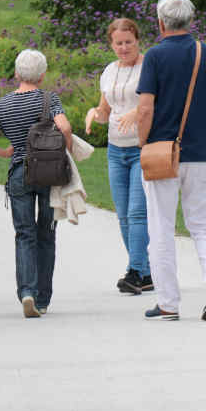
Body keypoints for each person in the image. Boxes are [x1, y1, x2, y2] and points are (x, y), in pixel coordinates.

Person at [136, 0, 206, 322]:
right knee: (204, 225)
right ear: (191, 21)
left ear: (160, 22)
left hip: (163, 154)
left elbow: (146, 107)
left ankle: (168, 302)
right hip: (202, 153)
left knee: (161, 227)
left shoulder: (154, 56)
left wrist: (142, 142)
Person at [0, 50, 72, 319]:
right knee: (46, 233)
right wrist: (66, 156)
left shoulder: (3, 104)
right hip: (49, 173)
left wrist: (5, 152)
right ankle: (43, 299)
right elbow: (65, 128)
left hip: (19, 173)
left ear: (16, 74)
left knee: (24, 234)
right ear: (42, 75)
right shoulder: (50, 100)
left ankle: (27, 291)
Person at [85, 18, 151, 296]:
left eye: (128, 42)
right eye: (118, 43)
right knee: (123, 214)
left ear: (137, 40)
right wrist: (93, 114)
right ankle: (145, 273)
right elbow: (105, 110)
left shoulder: (149, 66)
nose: (124, 47)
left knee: (137, 213)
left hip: (141, 148)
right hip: (115, 150)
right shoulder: (109, 71)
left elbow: (156, 102)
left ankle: (135, 270)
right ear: (111, 44)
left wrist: (137, 112)